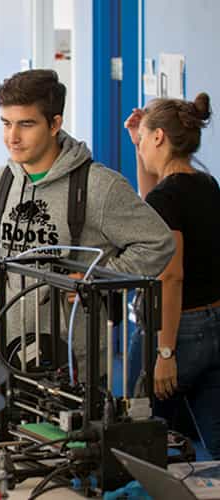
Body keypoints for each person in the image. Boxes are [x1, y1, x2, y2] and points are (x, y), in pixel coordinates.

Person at [0, 69, 174, 374]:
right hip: (4, 347)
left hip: (75, 359)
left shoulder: (100, 186)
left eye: (26, 124)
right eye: (6, 123)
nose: (12, 137)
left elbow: (158, 243)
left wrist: (99, 279)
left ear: (54, 124)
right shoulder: (1, 180)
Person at [124, 93, 220, 459]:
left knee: (139, 437)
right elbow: (153, 213)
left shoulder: (167, 198)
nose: (143, 146)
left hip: (177, 332)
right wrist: (137, 144)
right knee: (216, 439)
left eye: (146, 138)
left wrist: (165, 352)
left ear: (160, 137)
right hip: (214, 327)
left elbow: (170, 276)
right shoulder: (206, 184)